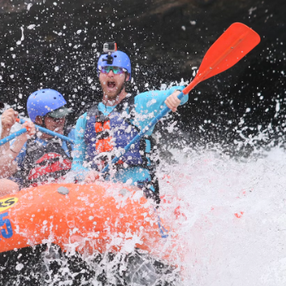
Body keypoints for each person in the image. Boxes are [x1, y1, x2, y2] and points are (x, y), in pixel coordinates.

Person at [68, 45, 187, 203]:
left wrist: (176, 95)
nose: (110, 74)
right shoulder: (84, 119)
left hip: (139, 191)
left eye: (117, 70)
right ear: (99, 75)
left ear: (127, 76)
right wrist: (85, 174)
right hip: (102, 194)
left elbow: (182, 92)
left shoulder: (141, 104)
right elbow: (76, 165)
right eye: (105, 70)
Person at [11, 89, 73, 188]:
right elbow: (3, 170)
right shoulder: (23, 142)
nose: (61, 121)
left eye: (63, 115)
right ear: (39, 119)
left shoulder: (72, 136)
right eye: (55, 117)